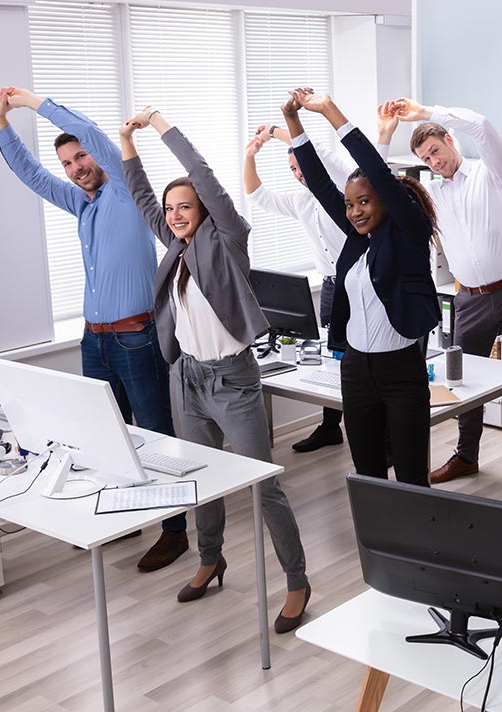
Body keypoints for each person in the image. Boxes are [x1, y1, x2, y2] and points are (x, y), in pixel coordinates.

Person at [120, 106, 310, 633]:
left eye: (186, 206)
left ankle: (297, 582)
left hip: (233, 381)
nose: (177, 214)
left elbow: (201, 172)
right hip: (188, 379)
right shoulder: (175, 246)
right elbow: (139, 197)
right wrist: (125, 142)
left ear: (203, 207)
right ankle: (210, 559)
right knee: (199, 477)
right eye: (171, 209)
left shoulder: (226, 237)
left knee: (262, 486)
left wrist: (158, 124)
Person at [0, 86, 187, 572]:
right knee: (106, 436)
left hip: (136, 336)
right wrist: (1, 121)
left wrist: (33, 103)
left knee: (155, 433)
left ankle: (175, 530)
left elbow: (98, 137)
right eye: (70, 164)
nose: (78, 167)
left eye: (81, 157)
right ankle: (124, 516)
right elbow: (30, 174)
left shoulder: (125, 189)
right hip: (94, 339)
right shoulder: (83, 204)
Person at [387, 97, 502, 498]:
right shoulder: (431, 194)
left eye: (436, 150)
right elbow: (384, 186)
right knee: (466, 380)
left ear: (449, 140)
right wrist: (386, 132)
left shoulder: (490, 172)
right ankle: (467, 454)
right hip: (469, 300)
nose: (434, 161)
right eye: (426, 158)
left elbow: (484, 126)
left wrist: (425, 113)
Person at [283, 89, 440, 487]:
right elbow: (318, 181)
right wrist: (293, 123)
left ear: (387, 202)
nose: (354, 211)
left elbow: (377, 170)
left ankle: (417, 547)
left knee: (410, 478)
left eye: (364, 202)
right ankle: (376, 550)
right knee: (367, 475)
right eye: (350, 204)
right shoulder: (356, 239)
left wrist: (330, 111)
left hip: (400, 371)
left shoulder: (408, 233)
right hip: (356, 371)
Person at [243, 106, 397, 453]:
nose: (299, 174)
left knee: (370, 356)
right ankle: (331, 426)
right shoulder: (301, 203)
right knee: (335, 356)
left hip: (363, 284)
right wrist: (250, 155)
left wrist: (275, 134)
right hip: (331, 286)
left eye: (302, 166)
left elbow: (319, 152)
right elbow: (257, 196)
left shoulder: (346, 193)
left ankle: (386, 435)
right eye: (293, 170)